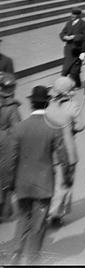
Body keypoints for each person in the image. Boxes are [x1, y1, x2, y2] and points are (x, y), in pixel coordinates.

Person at [10, 85, 71, 264]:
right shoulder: (54, 128)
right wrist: (66, 178)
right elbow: (63, 157)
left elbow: (12, 159)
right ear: (46, 104)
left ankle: (15, 254)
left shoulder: (19, 128)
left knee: (23, 219)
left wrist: (11, 183)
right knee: (38, 223)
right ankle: (32, 259)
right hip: (44, 184)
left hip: (22, 182)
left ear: (31, 104)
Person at [45, 76, 83, 226]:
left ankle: (49, 208)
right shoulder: (72, 106)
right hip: (68, 150)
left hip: (52, 149)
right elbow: (81, 125)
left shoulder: (48, 105)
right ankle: (56, 213)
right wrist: (71, 126)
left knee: (53, 182)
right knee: (66, 182)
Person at [0, 73, 21, 223]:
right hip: (6, 143)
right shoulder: (12, 108)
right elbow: (17, 130)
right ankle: (5, 212)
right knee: (7, 178)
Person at [59, 9, 85, 88]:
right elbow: (62, 33)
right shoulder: (68, 23)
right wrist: (64, 37)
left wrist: (74, 37)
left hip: (78, 49)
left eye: (74, 15)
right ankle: (73, 83)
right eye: (72, 14)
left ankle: (68, 84)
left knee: (75, 68)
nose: (72, 16)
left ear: (79, 15)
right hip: (68, 49)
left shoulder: (84, 24)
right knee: (66, 67)